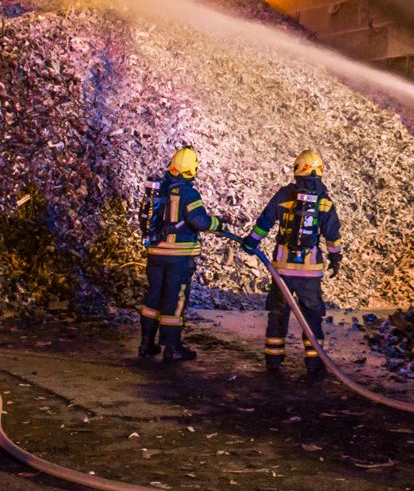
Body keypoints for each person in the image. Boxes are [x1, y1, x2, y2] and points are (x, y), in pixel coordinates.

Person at [241, 148, 343, 378]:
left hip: (282, 271)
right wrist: (335, 258)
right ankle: (315, 365)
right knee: (312, 317)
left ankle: (273, 361)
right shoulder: (324, 202)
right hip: (310, 272)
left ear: (297, 170)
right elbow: (332, 236)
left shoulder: (283, 196)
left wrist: (250, 243)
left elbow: (264, 222)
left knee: (278, 313)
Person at [138, 146, 234, 362]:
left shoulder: (159, 189)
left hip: (155, 253)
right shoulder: (189, 193)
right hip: (178, 258)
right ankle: (172, 348)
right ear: (192, 170)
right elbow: (199, 221)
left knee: (153, 297)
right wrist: (219, 223)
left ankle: (146, 344)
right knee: (175, 299)